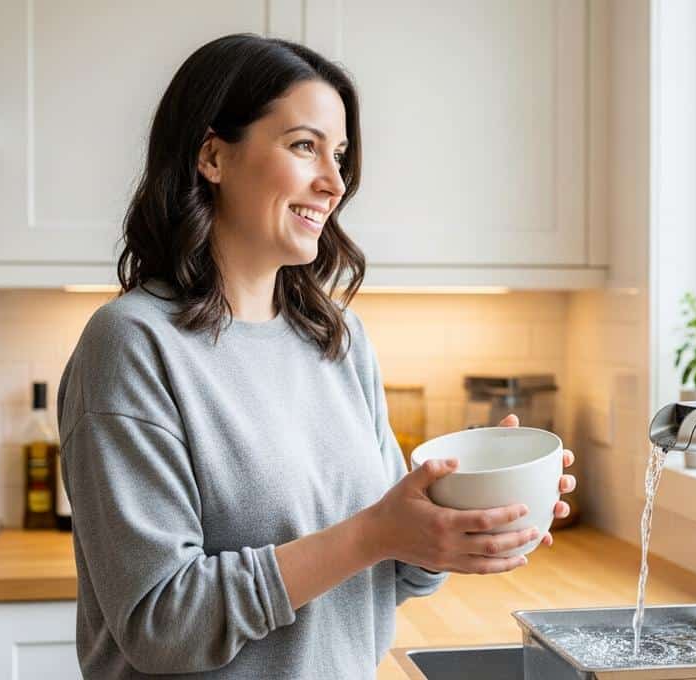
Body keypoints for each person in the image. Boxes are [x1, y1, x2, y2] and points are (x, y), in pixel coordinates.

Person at [56, 34, 576, 679]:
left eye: (339, 154)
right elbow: (163, 625)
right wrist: (373, 534)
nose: (333, 182)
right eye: (305, 146)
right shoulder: (132, 344)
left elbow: (392, 575)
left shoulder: (338, 340)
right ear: (213, 155)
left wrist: (457, 514)